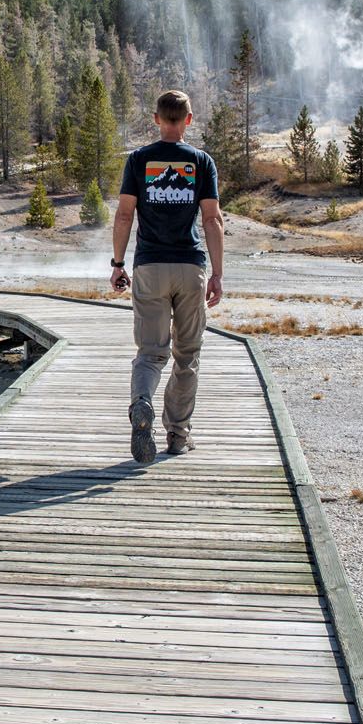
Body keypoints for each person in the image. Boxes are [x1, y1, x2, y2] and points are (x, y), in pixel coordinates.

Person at [110, 89, 224, 464]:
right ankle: (177, 435)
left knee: (149, 353)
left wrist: (117, 264)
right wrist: (217, 274)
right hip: (190, 266)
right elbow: (212, 220)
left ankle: (141, 403)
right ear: (188, 120)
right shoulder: (202, 162)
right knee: (186, 356)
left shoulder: (139, 160)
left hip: (149, 267)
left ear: (157, 119)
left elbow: (125, 215)